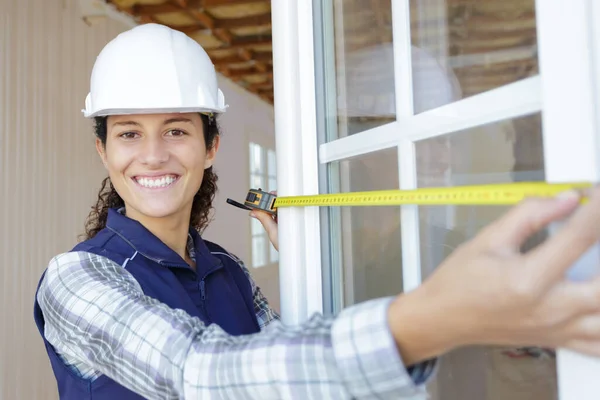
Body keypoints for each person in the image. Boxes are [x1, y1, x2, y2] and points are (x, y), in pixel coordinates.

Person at [33, 23, 600, 400]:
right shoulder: (75, 278)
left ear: (211, 147)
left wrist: (325, 258)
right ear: (103, 149)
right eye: (129, 133)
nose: (153, 154)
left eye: (176, 130)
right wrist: (436, 317)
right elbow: (199, 374)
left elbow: (300, 373)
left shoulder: (226, 269)